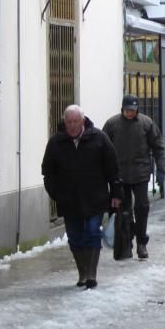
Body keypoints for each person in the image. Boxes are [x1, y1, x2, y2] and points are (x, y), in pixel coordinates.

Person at [42, 104, 123, 289]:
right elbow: (47, 171)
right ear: (64, 122)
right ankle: (82, 272)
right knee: (75, 237)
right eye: (68, 122)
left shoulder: (99, 138)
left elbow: (112, 167)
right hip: (69, 200)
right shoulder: (56, 143)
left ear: (83, 121)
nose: (72, 125)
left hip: (95, 197)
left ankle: (91, 275)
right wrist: (55, 193)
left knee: (93, 232)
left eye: (75, 121)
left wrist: (117, 192)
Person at [102, 95, 165, 260]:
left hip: (141, 173)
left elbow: (158, 147)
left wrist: (161, 170)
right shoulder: (112, 124)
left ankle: (141, 242)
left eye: (132, 110)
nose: (130, 113)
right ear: (122, 109)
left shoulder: (146, 123)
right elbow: (103, 148)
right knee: (124, 210)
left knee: (142, 207)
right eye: (127, 110)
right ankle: (126, 240)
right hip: (120, 175)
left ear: (137, 109)